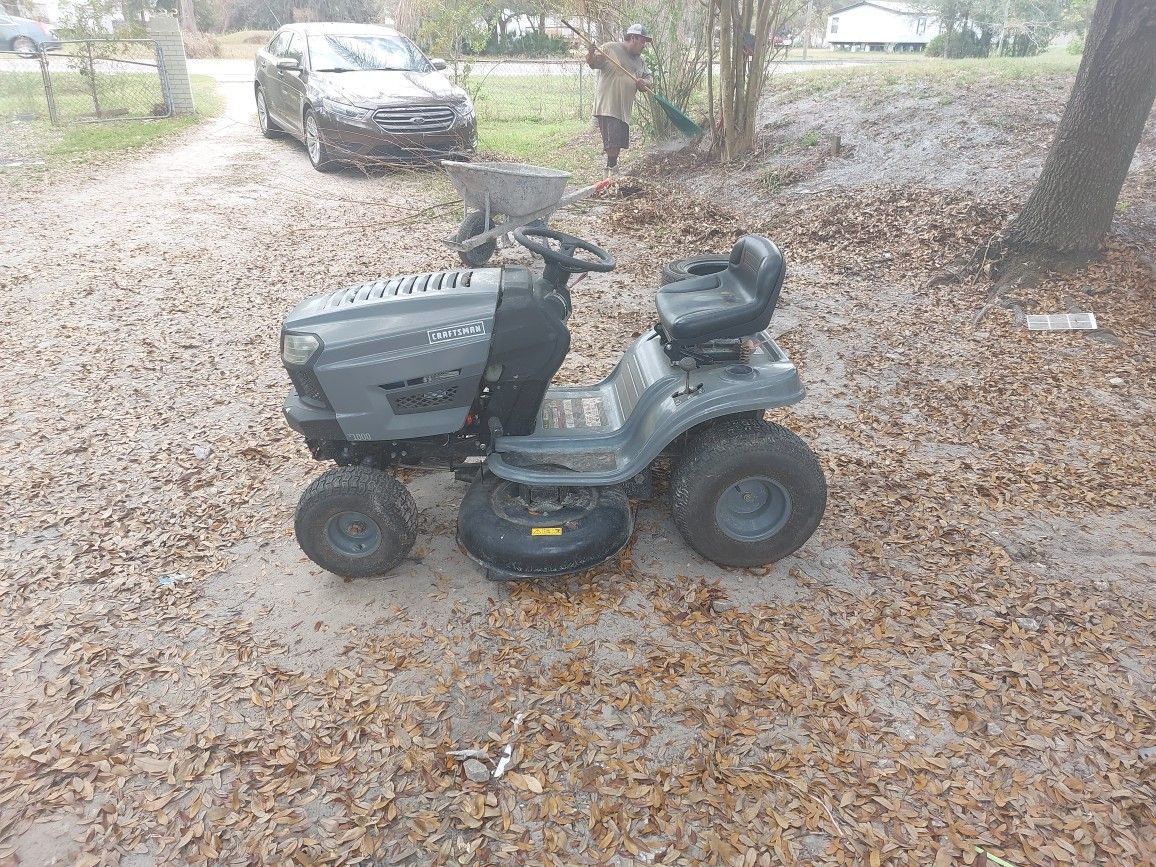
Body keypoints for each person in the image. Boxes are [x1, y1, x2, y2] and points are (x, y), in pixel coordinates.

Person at [586, 23, 653, 176]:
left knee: (618, 143)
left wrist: (644, 83)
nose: (644, 45)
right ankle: (611, 173)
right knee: (612, 142)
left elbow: (648, 80)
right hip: (608, 105)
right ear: (633, 38)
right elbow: (593, 63)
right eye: (642, 41)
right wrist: (590, 53)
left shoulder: (640, 61)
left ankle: (611, 171)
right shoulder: (610, 48)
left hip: (624, 109)